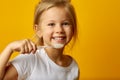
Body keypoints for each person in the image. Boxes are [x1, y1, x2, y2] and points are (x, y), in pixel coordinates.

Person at [0, 0, 80, 80]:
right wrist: (9, 48)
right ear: (38, 30)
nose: (59, 30)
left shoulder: (73, 68)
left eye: (65, 23)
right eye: (51, 24)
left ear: (73, 28)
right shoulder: (30, 59)